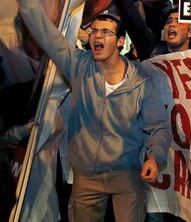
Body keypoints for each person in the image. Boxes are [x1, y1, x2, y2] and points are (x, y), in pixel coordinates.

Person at [18, 0, 172, 221]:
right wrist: (27, 5)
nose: (97, 36)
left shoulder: (142, 81)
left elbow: (158, 126)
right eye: (94, 31)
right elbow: (46, 34)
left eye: (106, 32)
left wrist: (154, 158)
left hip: (127, 175)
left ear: (120, 42)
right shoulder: (79, 65)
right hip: (86, 176)